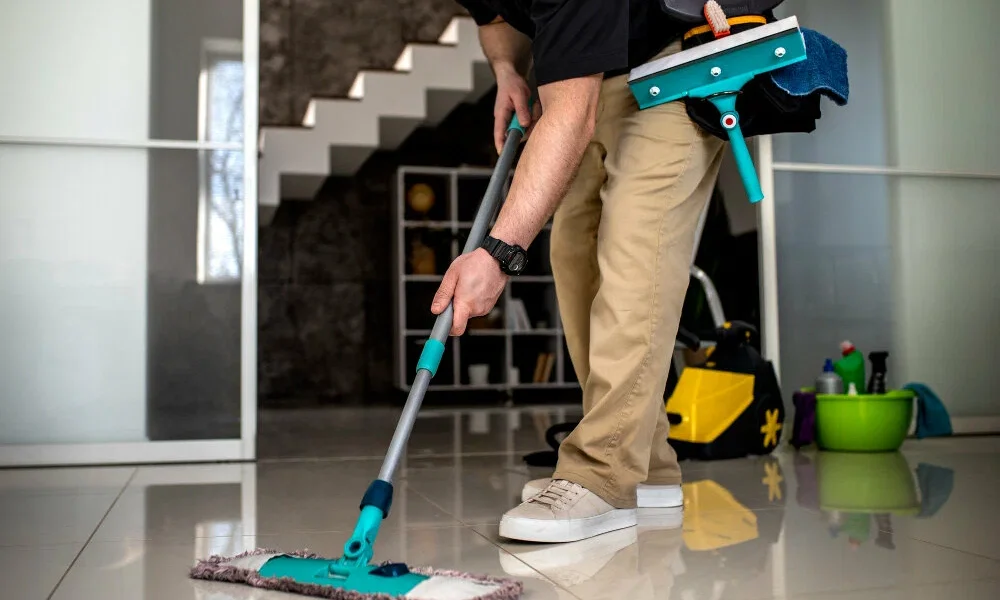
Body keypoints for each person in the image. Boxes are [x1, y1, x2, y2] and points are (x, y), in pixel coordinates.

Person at [431, 0, 725, 543]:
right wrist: (507, 71)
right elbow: (493, 16)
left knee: (635, 250)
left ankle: (603, 471)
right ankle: (648, 466)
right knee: (572, 253)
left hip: (674, 65)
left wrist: (497, 254)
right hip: (590, 72)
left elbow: (571, 113)